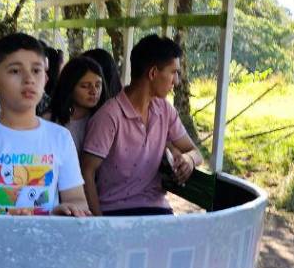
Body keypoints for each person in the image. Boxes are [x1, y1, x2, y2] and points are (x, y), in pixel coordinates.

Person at [0, 33, 90, 216]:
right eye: (15, 71)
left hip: (43, 243)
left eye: (36, 70)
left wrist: (67, 210)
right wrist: (2, 222)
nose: (29, 79)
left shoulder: (60, 137)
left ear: (45, 80)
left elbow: (77, 200)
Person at [80, 35, 203, 217]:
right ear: (153, 73)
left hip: (157, 209)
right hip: (115, 211)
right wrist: (99, 224)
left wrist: (189, 160)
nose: (176, 81)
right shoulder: (109, 116)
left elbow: (195, 152)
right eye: (173, 72)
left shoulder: (165, 110)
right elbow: (86, 172)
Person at [50, 56, 106, 151]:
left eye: (98, 85)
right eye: (85, 86)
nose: (94, 91)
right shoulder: (51, 120)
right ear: (69, 87)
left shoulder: (104, 119)